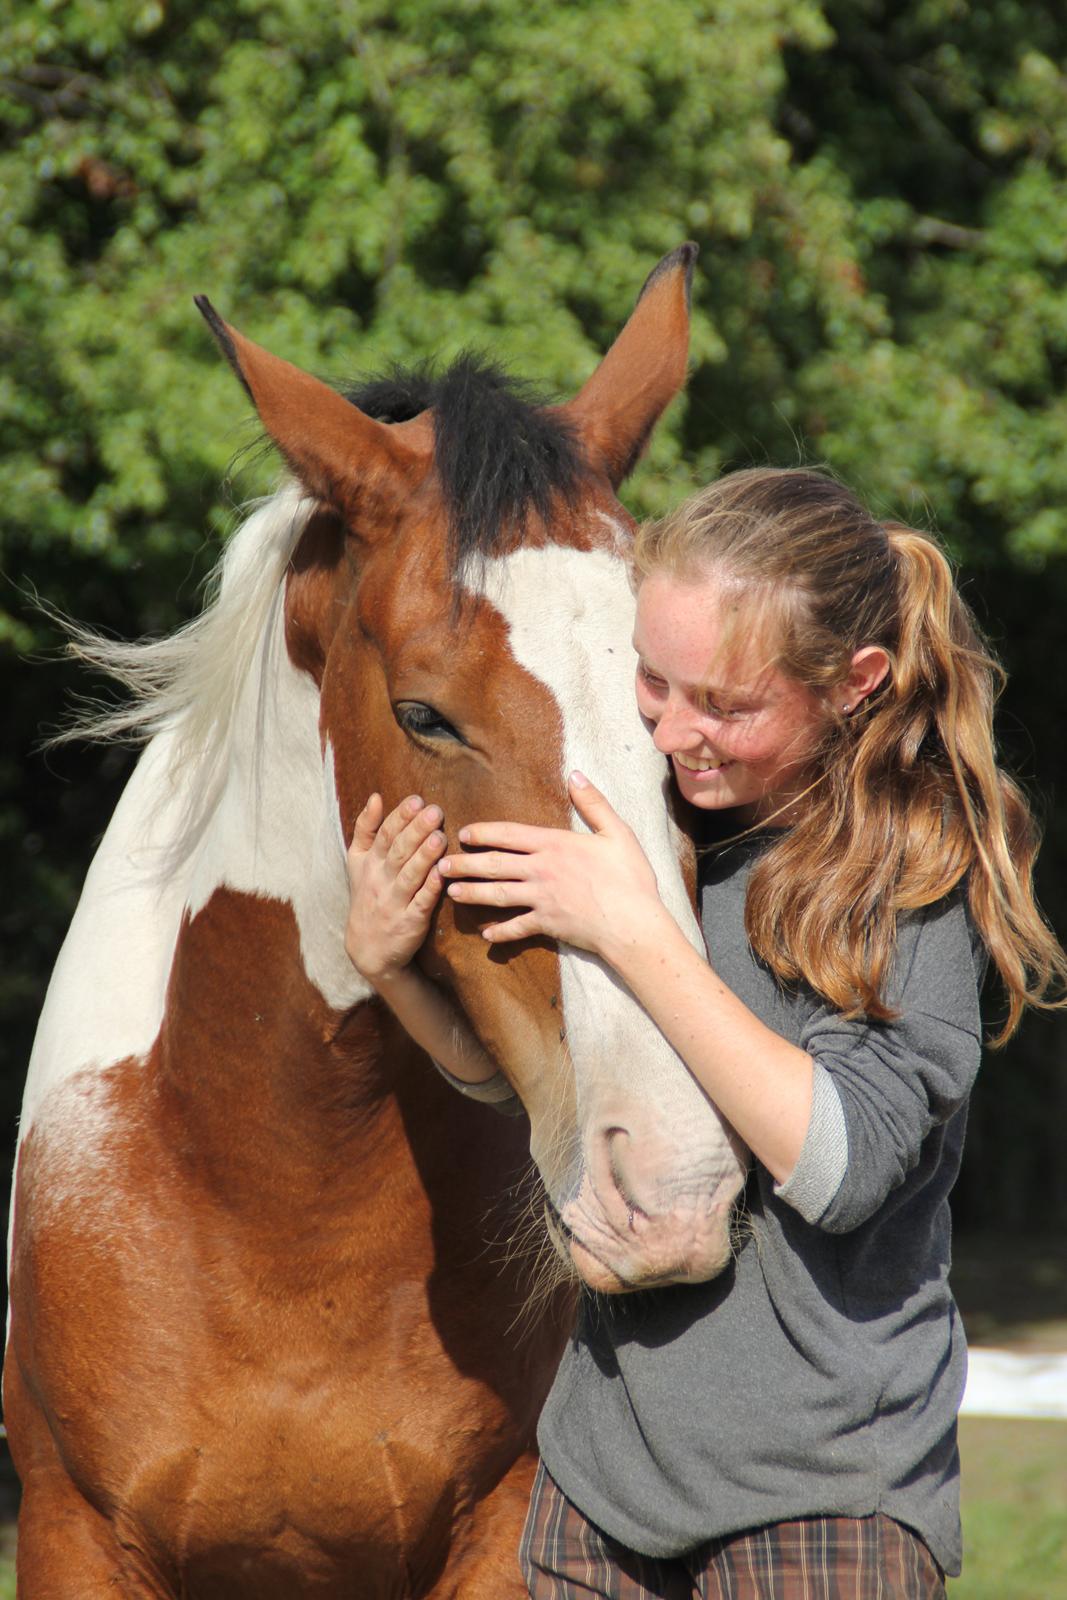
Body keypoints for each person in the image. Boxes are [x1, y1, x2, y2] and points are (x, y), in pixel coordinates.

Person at [343, 466, 1066, 1599]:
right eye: (650, 680)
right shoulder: (654, 819)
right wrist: (394, 971)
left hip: (820, 1501)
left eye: (723, 703)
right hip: (596, 1492)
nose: (674, 732)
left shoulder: (908, 873)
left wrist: (636, 930)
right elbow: (544, 1089)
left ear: (853, 684)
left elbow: (839, 1165)